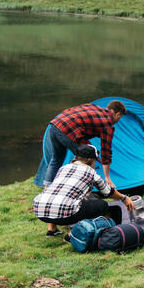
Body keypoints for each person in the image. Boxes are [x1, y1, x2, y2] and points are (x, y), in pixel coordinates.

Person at [41, 100, 127, 235]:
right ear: (116, 113)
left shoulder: (95, 108)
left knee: (56, 160)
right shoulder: (108, 124)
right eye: (120, 117)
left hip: (54, 125)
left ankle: (48, 192)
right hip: (69, 130)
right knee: (85, 162)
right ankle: (81, 201)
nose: (119, 120)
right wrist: (107, 177)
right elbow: (106, 150)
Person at [34, 144, 134, 238]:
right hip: (65, 214)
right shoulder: (91, 173)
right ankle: (72, 235)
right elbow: (107, 192)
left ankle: (52, 230)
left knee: (59, 198)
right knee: (102, 205)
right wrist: (124, 198)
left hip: (40, 210)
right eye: (95, 160)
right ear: (90, 160)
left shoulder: (64, 168)